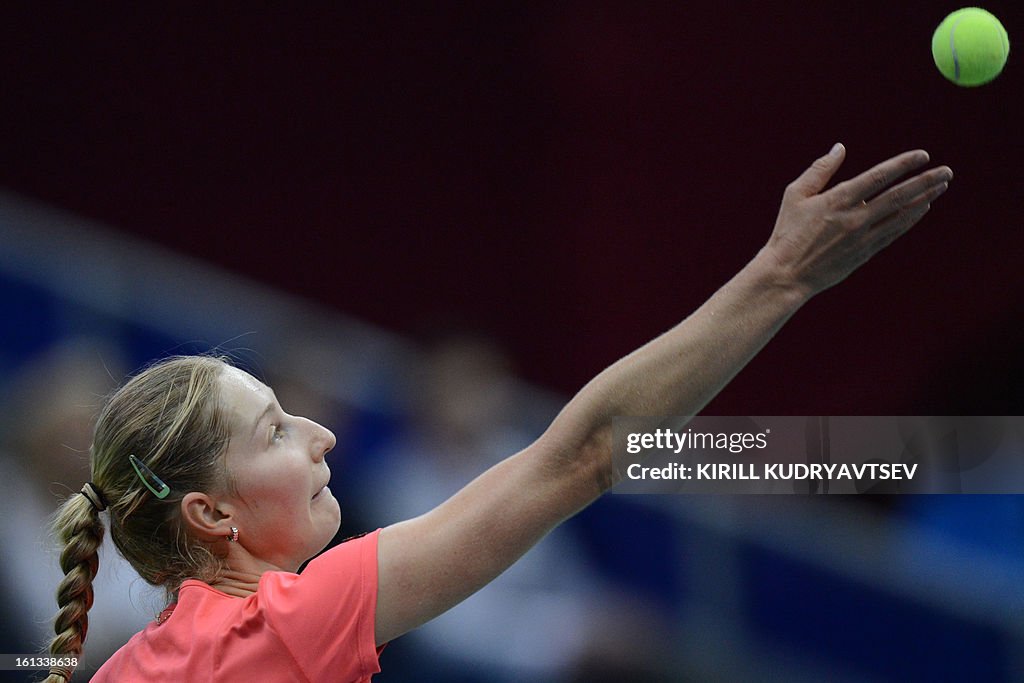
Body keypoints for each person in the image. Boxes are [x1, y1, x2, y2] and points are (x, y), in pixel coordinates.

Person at [43, 144, 952, 682]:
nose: (323, 433)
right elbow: (585, 454)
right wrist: (782, 274)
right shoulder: (276, 625)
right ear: (212, 513)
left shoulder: (146, 660)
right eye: (276, 430)